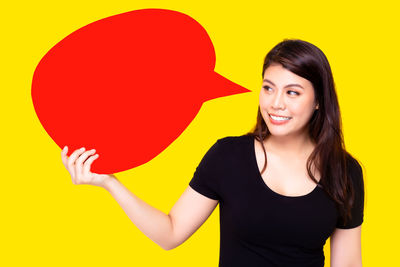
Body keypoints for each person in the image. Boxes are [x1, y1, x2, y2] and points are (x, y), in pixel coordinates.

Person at [61, 39, 364, 267]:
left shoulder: (345, 171)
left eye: (292, 92)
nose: (276, 103)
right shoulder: (228, 157)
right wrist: (110, 183)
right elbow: (171, 233)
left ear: (318, 102)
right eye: (268, 88)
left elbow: (347, 264)